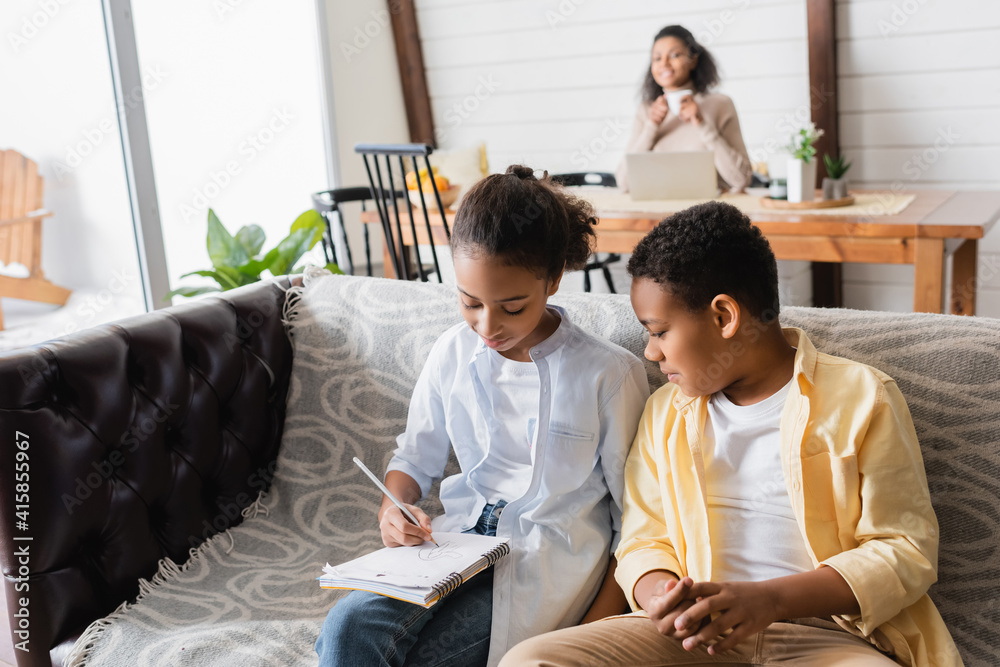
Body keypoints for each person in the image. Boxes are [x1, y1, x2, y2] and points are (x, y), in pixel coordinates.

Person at [500, 201, 962, 667]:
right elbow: (643, 538)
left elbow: (904, 549)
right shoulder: (664, 413)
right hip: (689, 639)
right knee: (530, 660)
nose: (651, 352)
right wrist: (663, 595)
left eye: (659, 331)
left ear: (724, 317)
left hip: (824, 639)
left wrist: (771, 601)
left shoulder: (862, 397)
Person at [315, 165, 650, 667]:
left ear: (553, 279)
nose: (488, 326)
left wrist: (590, 636)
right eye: (470, 302)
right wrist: (393, 510)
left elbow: (636, 524)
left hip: (545, 564)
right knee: (347, 626)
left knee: (424, 659)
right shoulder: (451, 350)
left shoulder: (609, 374)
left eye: (512, 307)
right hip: (453, 545)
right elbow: (414, 459)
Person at [616, 25, 752, 193]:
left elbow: (741, 180)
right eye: (657, 58)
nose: (664, 63)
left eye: (675, 55)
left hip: (707, 208)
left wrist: (702, 124)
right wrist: (651, 127)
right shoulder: (647, 111)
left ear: (693, 60)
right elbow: (624, 183)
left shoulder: (720, 104)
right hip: (658, 207)